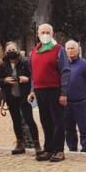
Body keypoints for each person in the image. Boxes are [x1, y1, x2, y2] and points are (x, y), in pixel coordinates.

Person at [28, 23, 71, 163]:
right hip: (40, 90)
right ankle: (48, 148)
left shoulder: (59, 50)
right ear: (38, 34)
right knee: (45, 121)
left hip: (55, 90)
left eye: (48, 32)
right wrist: (32, 90)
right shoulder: (34, 51)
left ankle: (58, 150)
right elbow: (33, 73)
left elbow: (65, 71)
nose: (45, 34)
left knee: (57, 121)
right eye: (42, 32)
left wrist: (64, 93)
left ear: (52, 34)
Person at [0, 41, 40, 155]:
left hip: (24, 96)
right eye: (9, 50)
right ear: (5, 52)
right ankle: (20, 143)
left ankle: (37, 144)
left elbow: (34, 76)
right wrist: (4, 80)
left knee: (29, 120)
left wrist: (27, 79)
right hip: (11, 96)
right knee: (16, 121)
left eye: (13, 50)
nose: (11, 52)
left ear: (18, 50)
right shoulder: (4, 64)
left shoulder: (25, 62)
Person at [62, 40, 86, 153]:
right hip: (66, 102)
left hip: (80, 102)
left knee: (83, 127)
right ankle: (72, 148)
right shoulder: (62, 64)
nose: (71, 50)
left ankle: (85, 148)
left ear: (78, 50)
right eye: (68, 48)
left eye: (73, 48)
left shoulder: (85, 65)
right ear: (65, 50)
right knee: (69, 128)